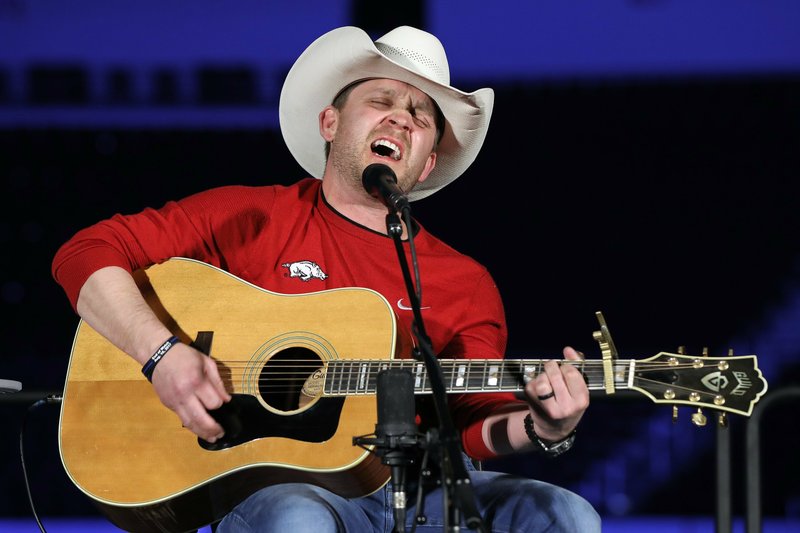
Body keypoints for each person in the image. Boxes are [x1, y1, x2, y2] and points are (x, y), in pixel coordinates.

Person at [52, 25, 601, 532]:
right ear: (330, 123)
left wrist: (542, 427)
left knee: (566, 515)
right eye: (381, 101)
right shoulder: (252, 217)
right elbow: (86, 252)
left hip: (426, 487)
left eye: (420, 115)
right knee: (298, 519)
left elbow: (475, 422)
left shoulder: (464, 280)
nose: (400, 118)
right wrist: (162, 355)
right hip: (277, 488)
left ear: (428, 162)